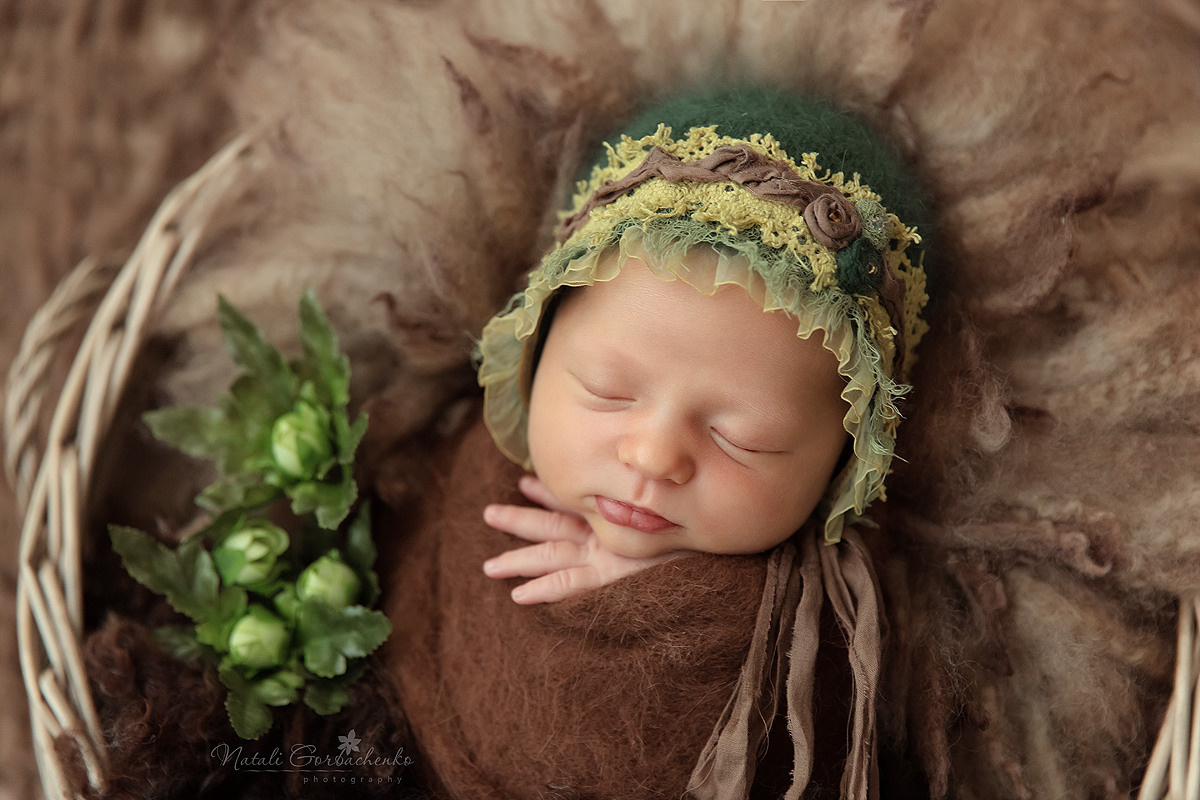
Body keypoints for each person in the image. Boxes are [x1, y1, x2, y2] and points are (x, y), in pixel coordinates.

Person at [382, 87, 930, 799]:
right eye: (607, 392)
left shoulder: (841, 619)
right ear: (534, 348)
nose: (652, 458)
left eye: (743, 441)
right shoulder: (458, 476)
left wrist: (675, 603)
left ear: (847, 467)